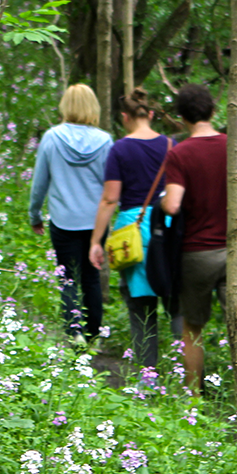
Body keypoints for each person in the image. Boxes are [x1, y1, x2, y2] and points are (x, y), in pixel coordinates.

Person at [160, 83, 237, 392]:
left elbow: (172, 205)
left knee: (192, 327)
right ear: (212, 111)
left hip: (196, 254)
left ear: (181, 117)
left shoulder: (180, 154)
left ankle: (193, 396)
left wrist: (160, 202)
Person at [88, 88, 174, 373]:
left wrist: (96, 241)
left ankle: (147, 379)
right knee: (175, 301)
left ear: (124, 117)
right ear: (150, 114)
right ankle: (186, 377)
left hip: (133, 230)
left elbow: (110, 198)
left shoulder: (120, 149)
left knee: (140, 305)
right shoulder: (172, 146)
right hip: (168, 225)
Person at [29, 83, 114, 341]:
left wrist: (35, 214)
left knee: (66, 276)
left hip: (63, 220)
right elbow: (109, 183)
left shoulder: (52, 138)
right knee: (91, 276)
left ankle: (73, 330)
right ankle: (93, 334)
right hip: (95, 222)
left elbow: (40, 182)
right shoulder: (105, 141)